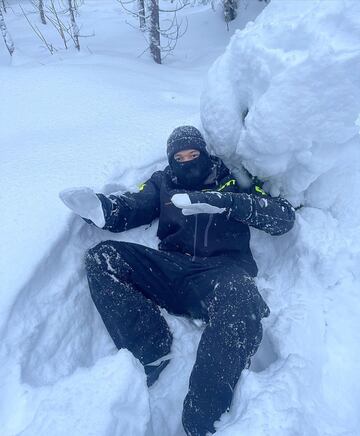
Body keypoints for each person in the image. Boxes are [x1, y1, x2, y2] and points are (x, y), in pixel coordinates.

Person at [60, 126, 295, 436]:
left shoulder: (233, 180)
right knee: (103, 258)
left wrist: (228, 202)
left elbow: (282, 218)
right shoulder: (164, 182)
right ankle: (151, 349)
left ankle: (201, 420)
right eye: (179, 157)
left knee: (241, 296)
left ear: (205, 154)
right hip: (173, 268)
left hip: (222, 274)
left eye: (193, 155)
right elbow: (133, 207)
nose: (187, 162)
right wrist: (102, 210)